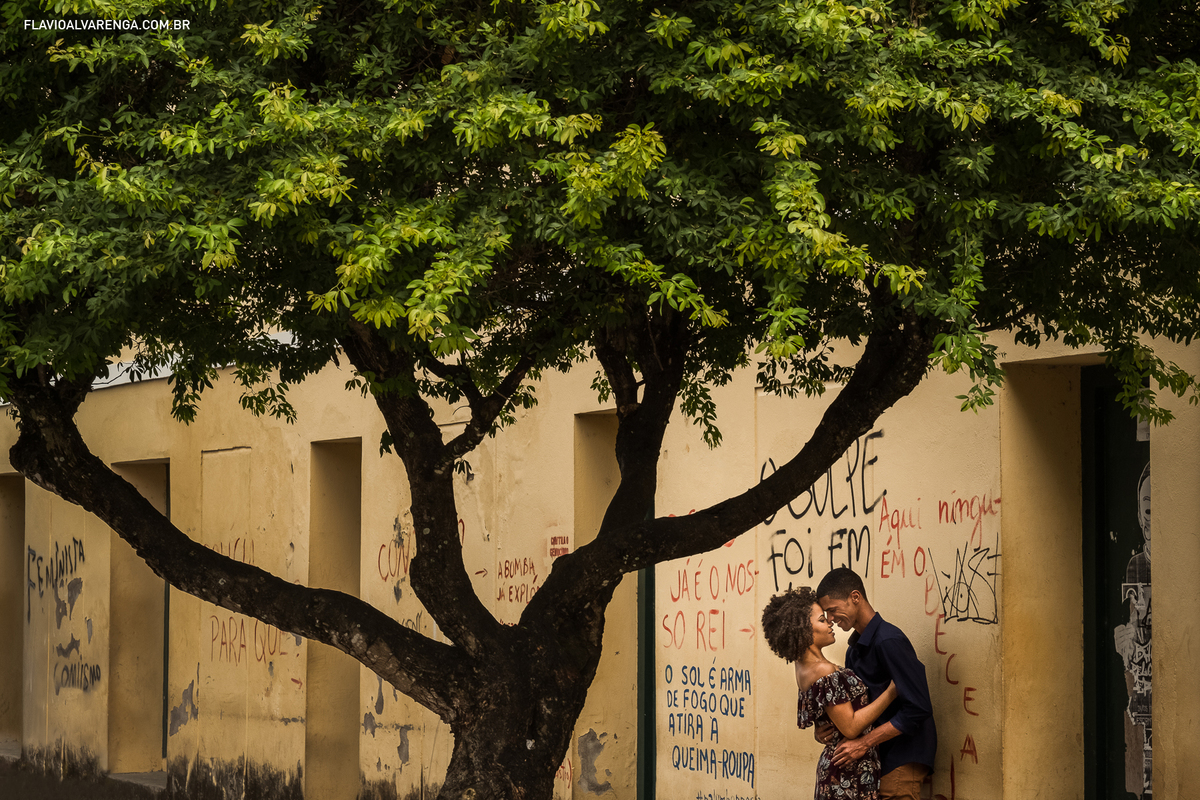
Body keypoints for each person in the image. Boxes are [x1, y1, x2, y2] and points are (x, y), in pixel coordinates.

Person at [763, 587, 898, 799]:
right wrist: (892, 691)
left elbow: (827, 718)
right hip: (848, 771)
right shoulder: (822, 671)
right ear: (804, 630)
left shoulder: (803, 668)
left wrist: (822, 732)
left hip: (840, 766)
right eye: (822, 620)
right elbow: (851, 727)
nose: (830, 623)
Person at [816, 568, 936, 800]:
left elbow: (918, 708)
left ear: (855, 597)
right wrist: (826, 729)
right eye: (825, 614)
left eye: (832, 610)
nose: (830, 619)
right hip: (878, 758)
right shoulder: (854, 649)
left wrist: (864, 743)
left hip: (902, 756)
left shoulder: (889, 640)